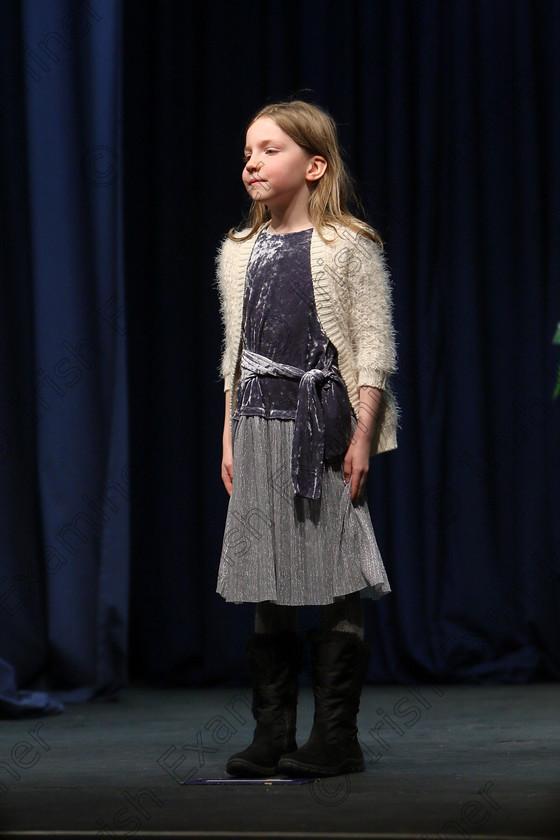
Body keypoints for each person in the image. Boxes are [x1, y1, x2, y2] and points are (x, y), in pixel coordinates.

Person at [214, 99, 399, 778]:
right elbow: (234, 352)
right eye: (246, 153)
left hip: (321, 428)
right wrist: (229, 436)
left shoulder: (348, 245)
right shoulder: (240, 251)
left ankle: (336, 737)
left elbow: (373, 348)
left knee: (334, 571)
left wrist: (362, 435)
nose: (252, 164)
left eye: (269, 150)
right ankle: (273, 735)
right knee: (269, 572)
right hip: (258, 424)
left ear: (314, 165)